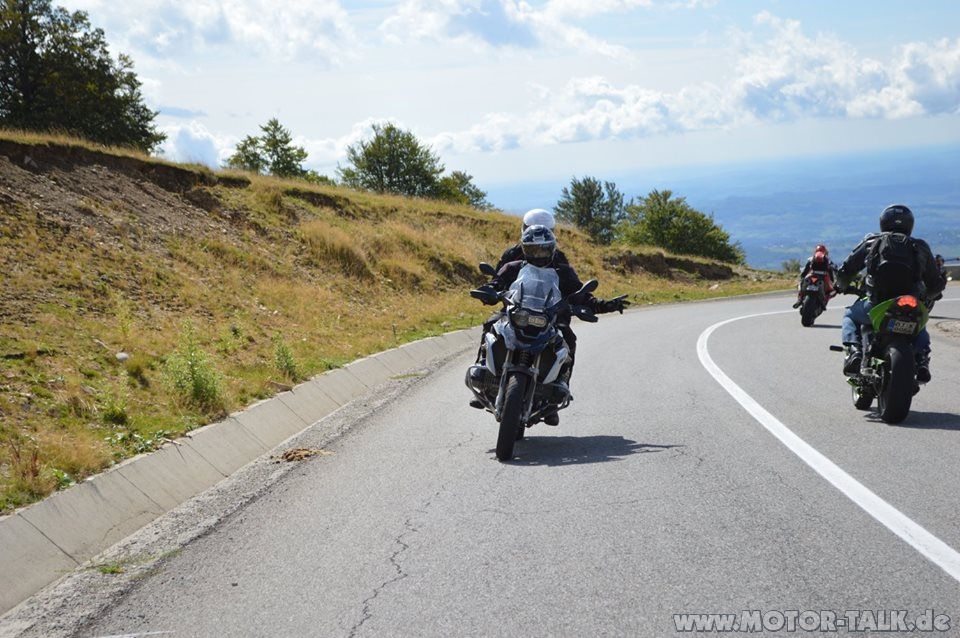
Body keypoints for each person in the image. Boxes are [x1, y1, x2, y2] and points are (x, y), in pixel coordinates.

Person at [472, 224, 629, 424]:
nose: (538, 255)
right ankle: (482, 369)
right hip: (516, 313)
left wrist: (606, 304)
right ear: (524, 249)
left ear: (551, 249)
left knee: (568, 338)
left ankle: (559, 390)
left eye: (542, 249)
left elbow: (582, 295)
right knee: (491, 323)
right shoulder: (512, 267)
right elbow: (496, 283)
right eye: (532, 249)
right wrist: (489, 293)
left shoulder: (563, 272)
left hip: (549, 319)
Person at [835, 204, 945, 383]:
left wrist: (841, 285)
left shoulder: (873, 241)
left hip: (876, 304)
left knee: (849, 315)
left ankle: (854, 352)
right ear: (910, 224)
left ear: (883, 223)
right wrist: (928, 296)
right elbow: (936, 284)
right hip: (911, 303)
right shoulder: (919, 246)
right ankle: (922, 360)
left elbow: (847, 270)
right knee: (920, 324)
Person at [495, 209, 570, 271]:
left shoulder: (558, 257)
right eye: (531, 249)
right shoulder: (512, 254)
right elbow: (497, 280)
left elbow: (573, 282)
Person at [792, 243, 837, 308]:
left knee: (801, 284)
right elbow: (832, 269)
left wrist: (802, 277)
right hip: (823, 277)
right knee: (831, 290)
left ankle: (799, 300)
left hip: (812, 275)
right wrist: (833, 280)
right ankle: (824, 302)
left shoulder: (811, 259)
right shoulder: (828, 260)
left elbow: (805, 270)